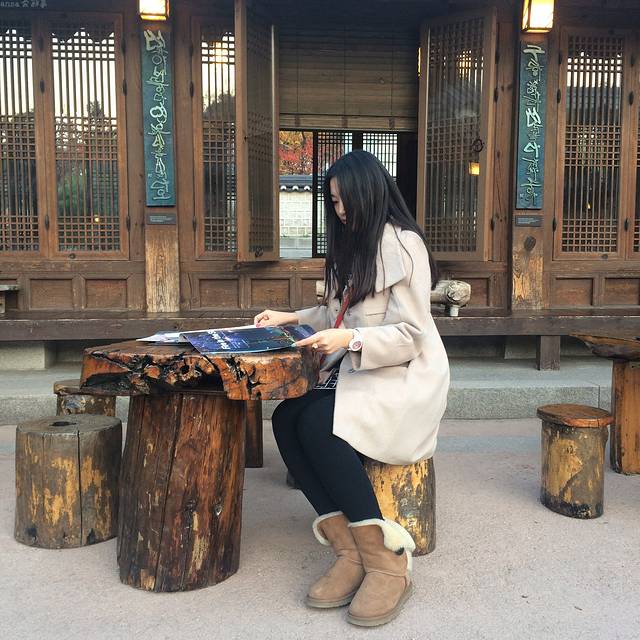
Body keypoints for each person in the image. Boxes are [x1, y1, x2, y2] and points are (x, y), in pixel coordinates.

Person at [254, 150, 450, 627]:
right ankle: (349, 551)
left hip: (404, 373)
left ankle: (388, 564)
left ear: (368, 193)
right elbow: (335, 314)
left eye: (343, 201)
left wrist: (351, 340)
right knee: (286, 417)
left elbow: (411, 334)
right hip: (360, 369)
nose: (339, 211)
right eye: (334, 202)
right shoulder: (354, 245)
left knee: (321, 425)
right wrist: (291, 317)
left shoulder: (404, 245)